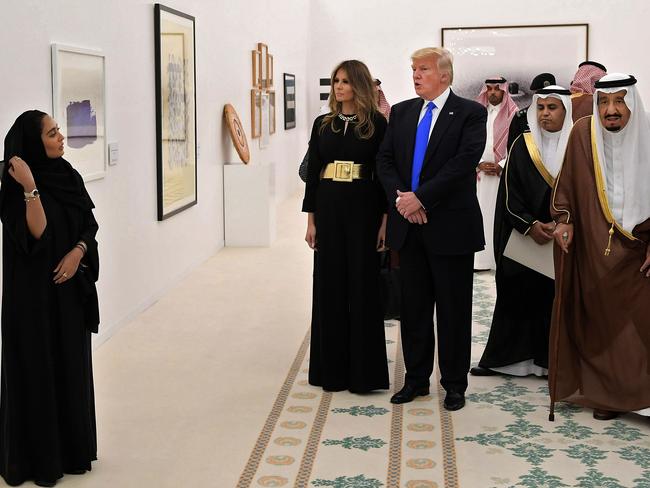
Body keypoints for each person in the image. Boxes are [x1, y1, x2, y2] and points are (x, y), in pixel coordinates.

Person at [376, 47, 486, 410]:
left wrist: (420, 198)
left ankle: (454, 384)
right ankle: (416, 380)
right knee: (414, 307)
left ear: (444, 75)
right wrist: (403, 200)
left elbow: (463, 163)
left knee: (454, 308)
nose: (415, 75)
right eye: (413, 69)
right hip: (410, 226)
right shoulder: (404, 112)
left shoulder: (471, 113)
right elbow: (385, 159)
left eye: (423, 69)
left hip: (450, 226)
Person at [0, 110, 100, 486]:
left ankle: (73, 451)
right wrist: (30, 186)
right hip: (32, 303)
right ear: (33, 143)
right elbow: (37, 233)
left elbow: (89, 225)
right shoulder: (13, 185)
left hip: (69, 292)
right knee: (38, 370)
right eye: (53, 133)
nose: (61, 138)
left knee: (70, 366)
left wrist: (77, 253)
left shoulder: (68, 175)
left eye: (59, 131)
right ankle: (38, 460)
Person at [550, 73, 650, 421]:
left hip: (641, 248)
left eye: (619, 101)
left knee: (640, 322)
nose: (611, 110)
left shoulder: (648, 137)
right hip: (594, 244)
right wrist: (564, 220)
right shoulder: (582, 135)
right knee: (601, 322)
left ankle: (643, 396)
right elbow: (566, 188)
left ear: (632, 104)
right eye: (605, 101)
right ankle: (607, 395)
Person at [471, 85, 573, 378]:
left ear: (565, 110)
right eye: (540, 108)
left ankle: (554, 363)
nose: (545, 114)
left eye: (552, 108)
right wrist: (530, 225)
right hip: (525, 237)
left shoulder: (578, 145)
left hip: (566, 238)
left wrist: (564, 222)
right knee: (517, 296)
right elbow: (509, 194)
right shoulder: (522, 145)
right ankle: (509, 360)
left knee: (558, 300)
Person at [303, 60, 389, 393]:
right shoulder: (322, 124)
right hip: (328, 206)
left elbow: (383, 175)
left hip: (364, 207)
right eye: (336, 81)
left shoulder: (377, 124)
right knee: (329, 285)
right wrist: (311, 220)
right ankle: (330, 371)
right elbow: (312, 173)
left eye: (346, 82)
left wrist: (384, 221)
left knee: (363, 285)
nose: (339, 87)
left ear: (360, 86)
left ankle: (364, 374)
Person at [474, 77, 518, 270]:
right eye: (489, 89)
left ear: (504, 91)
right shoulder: (477, 113)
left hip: (501, 176)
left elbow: (517, 145)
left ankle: (495, 259)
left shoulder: (514, 114)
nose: (492, 92)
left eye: (496, 89)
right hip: (479, 176)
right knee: (479, 216)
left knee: (496, 216)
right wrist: (479, 163)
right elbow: (468, 142)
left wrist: (501, 164)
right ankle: (478, 260)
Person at [507, 72, 557, 150]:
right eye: (541, 93)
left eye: (550, 93)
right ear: (534, 95)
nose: (545, 97)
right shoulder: (522, 118)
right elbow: (512, 148)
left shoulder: (563, 115)